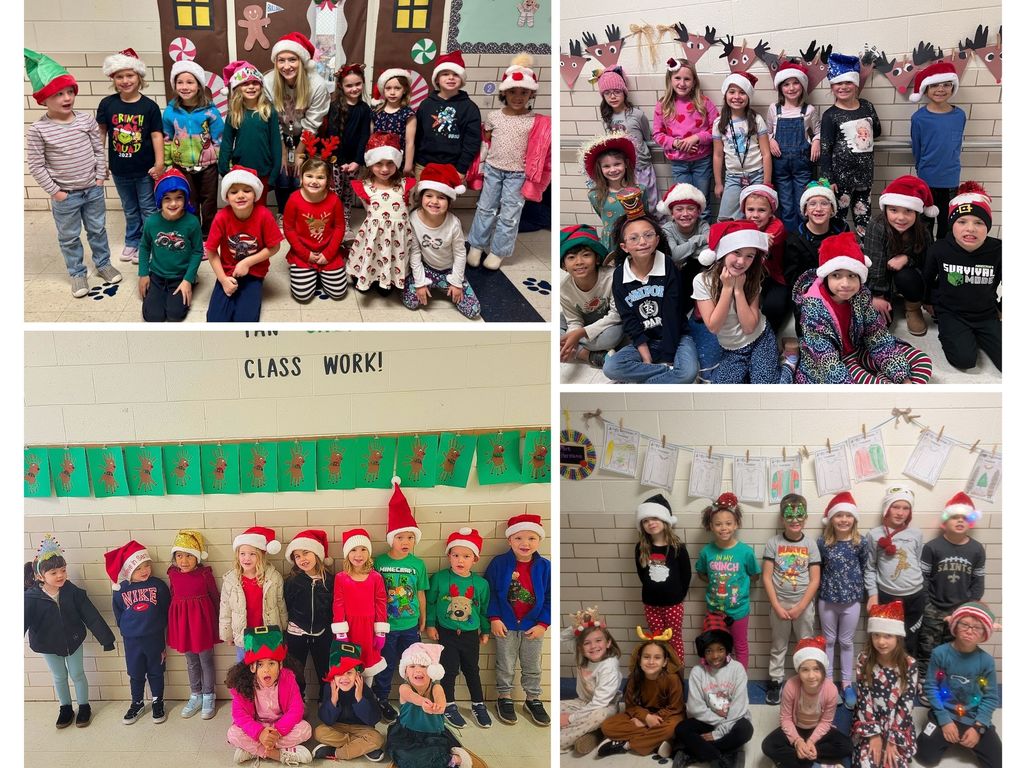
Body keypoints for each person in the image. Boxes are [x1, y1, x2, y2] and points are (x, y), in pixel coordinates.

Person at [25, 49, 121, 297]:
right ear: (43, 99)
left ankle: (103, 264)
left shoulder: (85, 120)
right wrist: (56, 192)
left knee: (97, 229)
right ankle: (78, 274)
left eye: (70, 92)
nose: (67, 98)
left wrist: (100, 178)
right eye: (58, 94)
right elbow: (36, 165)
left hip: (92, 189)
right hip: (65, 194)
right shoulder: (38, 130)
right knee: (69, 237)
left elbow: (97, 149)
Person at [792, 232, 932, 383]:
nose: (845, 283)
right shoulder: (812, 309)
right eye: (836, 275)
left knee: (922, 362)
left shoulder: (862, 295)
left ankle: (888, 386)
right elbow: (827, 363)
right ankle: (884, 390)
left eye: (852, 275)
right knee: (874, 389)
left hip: (860, 349)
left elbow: (876, 334)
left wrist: (902, 377)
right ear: (826, 276)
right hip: (837, 362)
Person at [24, 535, 116, 728]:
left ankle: (84, 706)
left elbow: (90, 615)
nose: (60, 575)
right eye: (54, 572)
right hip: (47, 644)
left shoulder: (72, 592)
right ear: (40, 576)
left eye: (63, 570)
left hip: (73, 640)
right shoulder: (30, 598)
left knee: (77, 673)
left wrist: (106, 638)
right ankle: (65, 708)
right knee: (59, 676)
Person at [604, 198, 699, 384]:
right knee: (611, 367)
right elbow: (628, 319)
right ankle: (666, 375)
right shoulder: (619, 275)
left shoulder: (668, 266)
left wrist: (668, 357)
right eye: (634, 238)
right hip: (646, 341)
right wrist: (646, 359)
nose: (642, 242)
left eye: (648, 235)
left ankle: (648, 384)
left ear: (657, 239)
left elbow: (673, 313)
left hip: (678, 337)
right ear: (624, 247)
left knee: (688, 372)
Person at [694, 220, 796, 383]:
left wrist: (739, 290)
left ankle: (789, 363)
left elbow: (749, 327)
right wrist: (727, 289)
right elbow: (714, 326)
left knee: (765, 390)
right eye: (736, 252)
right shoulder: (702, 281)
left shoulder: (752, 276)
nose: (741, 262)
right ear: (723, 252)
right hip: (732, 349)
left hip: (760, 339)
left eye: (749, 256)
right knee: (721, 393)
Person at [466, 55, 541, 270]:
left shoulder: (534, 121)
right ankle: (477, 245)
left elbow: (537, 149)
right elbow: (487, 142)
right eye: (513, 92)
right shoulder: (493, 117)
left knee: (510, 213)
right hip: (493, 170)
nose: (518, 97)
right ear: (504, 93)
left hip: (518, 174)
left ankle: (498, 251)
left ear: (531, 93)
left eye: (524, 92)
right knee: (485, 208)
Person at [923, 182, 1002, 371]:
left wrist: (1001, 308)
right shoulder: (939, 248)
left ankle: (981, 335)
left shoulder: (999, 250)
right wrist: (928, 301)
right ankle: (964, 336)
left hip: (986, 314)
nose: (970, 229)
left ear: (988, 226)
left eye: (979, 223)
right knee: (964, 360)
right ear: (952, 225)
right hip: (952, 313)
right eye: (962, 222)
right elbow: (927, 279)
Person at [97, 47, 163, 264]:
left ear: (139, 77)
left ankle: (150, 243)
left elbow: (156, 136)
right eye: (120, 76)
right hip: (120, 170)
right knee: (130, 208)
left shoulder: (149, 107)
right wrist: (100, 162)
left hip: (145, 169)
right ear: (113, 79)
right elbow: (101, 134)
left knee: (148, 208)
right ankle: (132, 241)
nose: (125, 80)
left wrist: (160, 163)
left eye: (129, 75)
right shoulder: (107, 104)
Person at [916, 602, 1002, 768]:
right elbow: (931, 687)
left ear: (984, 633)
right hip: (945, 712)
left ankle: (973, 733)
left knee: (998, 762)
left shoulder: (986, 661)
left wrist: (978, 728)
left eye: (977, 627)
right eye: (965, 624)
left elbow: (991, 697)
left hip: (973, 716)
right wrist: (944, 720)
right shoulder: (940, 653)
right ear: (955, 625)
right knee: (924, 757)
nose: (970, 631)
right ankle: (941, 729)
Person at [372, 478, 429, 722]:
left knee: (413, 666)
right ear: (391, 539)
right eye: (400, 537)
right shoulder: (379, 562)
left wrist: (423, 618)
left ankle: (415, 700)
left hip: (410, 625)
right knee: (385, 666)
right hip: (385, 627)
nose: (405, 542)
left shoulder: (418, 564)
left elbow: (420, 592)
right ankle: (381, 700)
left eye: (409, 538)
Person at [485, 514, 551, 726]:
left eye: (531, 538)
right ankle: (504, 697)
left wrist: (543, 624)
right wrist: (494, 618)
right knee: (505, 664)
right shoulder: (499, 563)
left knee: (532, 664)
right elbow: (490, 593)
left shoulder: (544, 567)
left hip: (533, 627)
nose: (525, 543)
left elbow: (550, 597)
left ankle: (533, 699)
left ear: (539, 541)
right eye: (519, 538)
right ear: (509, 541)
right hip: (506, 624)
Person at [425, 528, 491, 729]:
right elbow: (431, 603)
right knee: (449, 670)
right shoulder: (440, 578)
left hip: (471, 635)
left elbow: (484, 608)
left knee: (472, 669)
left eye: (466, 556)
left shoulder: (480, 584)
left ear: (475, 559)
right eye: (455, 555)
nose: (460, 560)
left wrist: (486, 629)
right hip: (447, 633)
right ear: (449, 556)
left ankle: (478, 704)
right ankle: (449, 705)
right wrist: (430, 624)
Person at [917, 492, 986, 682]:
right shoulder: (932, 547)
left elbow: (978, 579)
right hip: (933, 608)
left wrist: (971, 605)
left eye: (964, 518)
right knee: (927, 647)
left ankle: (944, 679)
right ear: (945, 522)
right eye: (955, 517)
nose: (960, 521)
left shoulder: (977, 549)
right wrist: (928, 604)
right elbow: (923, 578)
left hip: (961, 610)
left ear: (970, 523)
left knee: (952, 646)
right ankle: (924, 680)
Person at [264, 32, 331, 220]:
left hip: (307, 136)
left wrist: (300, 154)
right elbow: (272, 120)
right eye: (281, 60)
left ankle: (301, 213)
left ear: (301, 61)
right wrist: (283, 152)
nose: (286, 66)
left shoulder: (316, 84)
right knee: (282, 172)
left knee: (299, 174)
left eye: (292, 59)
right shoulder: (269, 82)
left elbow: (313, 123)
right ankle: (283, 212)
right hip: (279, 135)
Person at [673, 612, 753, 768]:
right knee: (681, 729)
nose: (715, 656)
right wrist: (718, 724)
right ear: (703, 651)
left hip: (733, 721)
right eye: (709, 651)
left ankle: (695, 752)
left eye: (720, 650)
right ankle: (719, 757)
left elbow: (739, 707)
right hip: (707, 720)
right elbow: (695, 708)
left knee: (745, 730)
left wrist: (720, 731)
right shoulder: (697, 671)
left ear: (727, 649)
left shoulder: (737, 669)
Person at [762, 493, 821, 705]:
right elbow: (767, 577)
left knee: (806, 645)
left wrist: (801, 606)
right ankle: (776, 681)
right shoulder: (773, 543)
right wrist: (776, 606)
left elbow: (815, 580)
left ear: (805, 518)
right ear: (782, 519)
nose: (794, 520)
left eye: (799, 516)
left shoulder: (811, 545)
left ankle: (807, 681)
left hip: (803, 606)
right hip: (779, 606)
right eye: (789, 516)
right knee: (778, 645)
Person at [760, 636, 854, 768]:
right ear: (798, 670)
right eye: (805, 670)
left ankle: (801, 758)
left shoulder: (831, 690)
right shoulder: (791, 686)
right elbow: (786, 719)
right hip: (796, 727)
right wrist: (798, 741)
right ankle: (816, 764)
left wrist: (811, 742)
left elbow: (826, 722)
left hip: (817, 730)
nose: (811, 676)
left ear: (823, 670)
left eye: (816, 669)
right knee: (768, 746)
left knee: (846, 746)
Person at [386, 642, 483, 768]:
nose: (418, 670)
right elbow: (412, 697)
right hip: (408, 734)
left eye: (423, 666)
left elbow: (441, 701)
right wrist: (422, 702)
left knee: (434, 752)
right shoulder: (404, 688)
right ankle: (446, 761)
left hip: (433, 735)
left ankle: (453, 758)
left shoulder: (436, 688)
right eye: (412, 666)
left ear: (433, 671)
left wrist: (438, 707)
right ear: (405, 672)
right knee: (404, 756)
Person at [204, 165, 283, 322]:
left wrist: (247, 262)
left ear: (255, 194)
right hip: (227, 271)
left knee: (245, 320)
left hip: (254, 272)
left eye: (246, 191)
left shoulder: (264, 215)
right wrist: (222, 279)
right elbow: (211, 251)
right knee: (215, 320)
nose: (240, 196)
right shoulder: (221, 217)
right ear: (226, 196)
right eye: (234, 192)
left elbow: (275, 246)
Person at [226, 625, 314, 764]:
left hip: (281, 725)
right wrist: (260, 733)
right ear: (252, 667)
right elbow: (239, 715)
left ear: (280, 665)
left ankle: (252, 750)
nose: (266, 670)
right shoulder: (242, 685)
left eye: (271, 663)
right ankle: (279, 754)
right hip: (257, 725)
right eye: (260, 664)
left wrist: (277, 732)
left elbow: (296, 709)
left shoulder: (288, 679)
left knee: (305, 729)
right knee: (233, 734)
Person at [104, 540, 170, 725]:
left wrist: (159, 625)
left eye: (147, 565)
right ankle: (137, 702)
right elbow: (118, 611)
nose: (145, 570)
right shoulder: (121, 589)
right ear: (128, 569)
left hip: (154, 638)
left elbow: (166, 607)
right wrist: (127, 628)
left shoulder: (158, 585)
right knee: (135, 672)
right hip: (132, 640)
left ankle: (158, 701)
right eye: (139, 567)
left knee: (156, 671)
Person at [404, 163, 481, 318]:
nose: (434, 202)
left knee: (473, 310)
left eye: (441, 197)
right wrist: (419, 283)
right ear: (421, 196)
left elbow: (460, 254)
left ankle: (444, 286)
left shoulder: (453, 223)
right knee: (410, 301)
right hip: (427, 269)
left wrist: (456, 283)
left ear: (449, 201)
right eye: (429, 196)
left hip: (449, 270)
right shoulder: (413, 218)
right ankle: (430, 285)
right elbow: (415, 253)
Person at [863, 176, 937, 335]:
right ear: (885, 209)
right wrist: (877, 295)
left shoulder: (922, 230)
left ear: (917, 212)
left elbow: (928, 262)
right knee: (880, 325)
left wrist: (906, 259)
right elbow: (874, 263)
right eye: (894, 210)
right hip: (881, 276)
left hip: (907, 275)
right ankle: (887, 297)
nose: (901, 218)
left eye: (908, 211)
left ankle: (912, 307)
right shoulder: (876, 226)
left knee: (906, 276)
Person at [819, 53, 881, 239]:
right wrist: (828, 179)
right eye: (839, 83)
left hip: (864, 177)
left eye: (848, 83)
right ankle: (837, 254)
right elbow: (825, 149)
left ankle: (864, 257)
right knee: (838, 219)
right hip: (840, 180)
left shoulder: (867, 107)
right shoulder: (830, 115)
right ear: (832, 86)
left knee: (864, 220)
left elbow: (876, 130)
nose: (843, 87)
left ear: (855, 85)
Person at [694, 493, 760, 668]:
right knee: (712, 646)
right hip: (714, 611)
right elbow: (701, 573)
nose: (724, 528)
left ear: (736, 524)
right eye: (718, 524)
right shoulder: (706, 552)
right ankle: (712, 681)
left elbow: (755, 575)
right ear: (711, 526)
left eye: (728, 523)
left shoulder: (746, 552)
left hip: (739, 611)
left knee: (740, 646)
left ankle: (739, 682)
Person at [816, 492, 869, 709]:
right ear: (831, 519)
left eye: (848, 515)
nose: (844, 520)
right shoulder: (823, 543)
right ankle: (828, 683)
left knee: (846, 642)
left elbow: (867, 568)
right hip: (827, 600)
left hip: (852, 601)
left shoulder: (861, 542)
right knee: (828, 641)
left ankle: (847, 683)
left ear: (854, 519)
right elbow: (817, 570)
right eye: (839, 516)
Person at [597, 629, 683, 758]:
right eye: (646, 657)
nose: (651, 662)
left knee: (673, 728)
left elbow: (676, 707)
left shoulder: (672, 679)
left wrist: (648, 720)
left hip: (667, 716)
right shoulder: (634, 678)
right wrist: (646, 717)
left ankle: (626, 744)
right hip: (642, 714)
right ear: (639, 660)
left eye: (657, 658)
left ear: (665, 662)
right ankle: (657, 742)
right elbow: (631, 707)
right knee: (607, 726)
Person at [348, 132, 416, 295]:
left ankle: (387, 277)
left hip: (396, 241)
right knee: (366, 270)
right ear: (370, 164)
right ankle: (366, 274)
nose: (385, 169)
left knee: (385, 292)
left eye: (389, 163)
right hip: (372, 239)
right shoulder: (364, 187)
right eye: (379, 163)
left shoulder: (405, 185)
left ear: (397, 163)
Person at [852, 602, 918, 768]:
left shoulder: (909, 664)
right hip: (870, 717)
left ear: (898, 637)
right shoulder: (863, 659)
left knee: (894, 762)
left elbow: (906, 704)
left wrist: (893, 740)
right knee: (866, 763)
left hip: (896, 720)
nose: (881, 642)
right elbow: (863, 698)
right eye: (876, 635)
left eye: (888, 636)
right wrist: (873, 735)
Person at [162, 58, 223, 238]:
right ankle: (194, 230)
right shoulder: (170, 111)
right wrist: (168, 163)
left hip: (208, 165)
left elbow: (219, 138)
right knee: (190, 199)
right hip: (182, 165)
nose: (185, 86)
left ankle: (209, 232)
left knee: (209, 200)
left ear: (199, 85)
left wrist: (222, 161)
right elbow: (166, 138)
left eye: (190, 82)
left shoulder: (210, 111)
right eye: (180, 82)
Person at [653, 58, 718, 221]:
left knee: (702, 204)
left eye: (687, 79)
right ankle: (687, 239)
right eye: (677, 78)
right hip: (679, 164)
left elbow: (717, 129)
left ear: (694, 81)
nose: (682, 83)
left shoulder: (704, 103)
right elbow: (657, 134)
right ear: (670, 80)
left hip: (702, 162)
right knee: (684, 205)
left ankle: (704, 242)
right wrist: (676, 144)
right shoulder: (663, 105)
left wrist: (695, 138)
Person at [864, 487, 925, 661]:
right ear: (887, 508)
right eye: (896, 507)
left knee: (910, 640)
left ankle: (908, 680)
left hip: (915, 596)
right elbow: (870, 568)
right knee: (886, 641)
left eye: (905, 508)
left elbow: (918, 562)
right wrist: (873, 595)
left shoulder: (916, 534)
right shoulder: (874, 535)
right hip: (887, 596)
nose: (900, 513)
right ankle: (885, 680)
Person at [166, 529, 220, 720]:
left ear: (197, 557)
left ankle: (208, 695)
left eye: (189, 556)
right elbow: (173, 597)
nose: (184, 560)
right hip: (183, 625)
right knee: (191, 661)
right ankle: (195, 694)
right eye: (179, 556)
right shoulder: (173, 574)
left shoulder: (205, 574)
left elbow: (215, 597)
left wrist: (220, 624)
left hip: (202, 623)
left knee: (205, 660)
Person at [910, 61, 966, 241]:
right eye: (934, 85)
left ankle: (943, 257)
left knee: (948, 222)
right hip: (927, 178)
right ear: (926, 89)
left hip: (950, 178)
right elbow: (917, 149)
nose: (940, 89)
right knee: (925, 222)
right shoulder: (919, 118)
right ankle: (925, 257)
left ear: (952, 87)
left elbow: (955, 145)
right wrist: (922, 171)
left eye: (946, 85)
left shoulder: (960, 115)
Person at [138, 168, 203, 322]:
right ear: (160, 200)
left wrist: (188, 279)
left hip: (180, 276)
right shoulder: (152, 222)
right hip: (157, 275)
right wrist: (143, 273)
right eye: (167, 198)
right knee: (153, 316)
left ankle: (190, 281)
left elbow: (197, 251)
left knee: (175, 314)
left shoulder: (192, 222)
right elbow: (145, 246)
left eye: (178, 198)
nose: (173, 203)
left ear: (186, 199)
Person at [283, 154, 348, 302]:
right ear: (301, 178)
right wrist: (305, 254)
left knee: (338, 293)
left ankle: (321, 274)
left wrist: (329, 254)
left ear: (328, 180)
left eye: (320, 177)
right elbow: (289, 229)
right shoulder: (293, 199)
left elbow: (339, 227)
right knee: (302, 296)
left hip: (328, 251)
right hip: (303, 252)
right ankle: (313, 274)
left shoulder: (334, 200)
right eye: (309, 176)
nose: (314, 181)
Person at [633, 494, 690, 664]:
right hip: (651, 603)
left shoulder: (677, 547)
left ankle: (677, 674)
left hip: (673, 604)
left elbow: (686, 574)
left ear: (665, 520)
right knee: (656, 639)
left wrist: (678, 595)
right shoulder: (641, 548)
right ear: (642, 525)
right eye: (646, 520)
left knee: (674, 639)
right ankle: (659, 672)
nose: (651, 523)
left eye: (655, 518)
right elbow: (641, 574)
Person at [559, 607, 622, 756]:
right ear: (580, 647)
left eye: (598, 641)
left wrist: (570, 718)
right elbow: (561, 637)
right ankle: (592, 735)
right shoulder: (581, 655)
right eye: (587, 643)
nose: (593, 646)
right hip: (582, 702)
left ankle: (562, 740)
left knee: (597, 716)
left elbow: (600, 703)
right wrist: (580, 625)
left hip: (605, 707)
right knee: (555, 709)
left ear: (608, 643)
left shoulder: (609, 666)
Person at [767, 62, 821, 235]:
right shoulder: (774, 109)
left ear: (802, 86)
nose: (791, 88)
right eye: (786, 84)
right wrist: (770, 140)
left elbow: (818, 132)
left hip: (802, 166)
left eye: (795, 83)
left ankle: (803, 237)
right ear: (780, 88)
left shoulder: (809, 110)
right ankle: (790, 240)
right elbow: (766, 132)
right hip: (780, 165)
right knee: (786, 206)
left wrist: (816, 141)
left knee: (802, 204)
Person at [217, 61, 280, 206]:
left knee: (259, 210)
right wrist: (224, 169)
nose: (251, 87)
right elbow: (226, 142)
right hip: (240, 171)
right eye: (245, 83)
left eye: (255, 83)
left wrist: (274, 173)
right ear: (238, 87)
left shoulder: (269, 111)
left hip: (263, 171)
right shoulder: (234, 113)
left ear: (261, 86)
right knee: (242, 207)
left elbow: (275, 143)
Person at [559, 224, 622, 369]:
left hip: (609, 325)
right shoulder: (564, 289)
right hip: (586, 322)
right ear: (564, 265)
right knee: (554, 326)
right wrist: (573, 334)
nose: (579, 262)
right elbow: (574, 320)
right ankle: (589, 356)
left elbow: (616, 316)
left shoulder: (612, 277)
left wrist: (577, 335)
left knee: (612, 336)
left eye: (586, 255)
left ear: (597, 259)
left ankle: (577, 350)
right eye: (571, 257)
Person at [219, 527, 287, 660]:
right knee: (244, 672)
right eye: (242, 554)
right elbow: (225, 608)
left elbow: (280, 603)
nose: (246, 558)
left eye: (252, 554)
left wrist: (283, 628)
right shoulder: (231, 580)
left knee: (267, 670)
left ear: (261, 556)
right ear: (237, 555)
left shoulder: (273, 578)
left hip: (268, 634)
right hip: (244, 636)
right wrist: (227, 634)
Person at [312, 640, 386, 761]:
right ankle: (360, 747)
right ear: (333, 675)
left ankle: (335, 752)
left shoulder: (364, 689)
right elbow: (326, 720)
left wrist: (360, 699)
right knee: (319, 732)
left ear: (357, 675)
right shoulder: (329, 688)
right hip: (338, 727)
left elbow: (374, 719)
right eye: (339, 673)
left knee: (377, 738)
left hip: (361, 728)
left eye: (349, 673)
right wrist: (333, 701)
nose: (345, 678)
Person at [598, 65, 659, 215]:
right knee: (631, 205)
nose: (612, 96)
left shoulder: (637, 115)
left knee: (650, 202)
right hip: (624, 169)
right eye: (607, 93)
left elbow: (647, 137)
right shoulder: (608, 118)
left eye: (617, 92)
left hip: (642, 166)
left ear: (624, 92)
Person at [282, 529, 334, 701]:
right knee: (295, 670)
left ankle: (325, 700)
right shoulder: (292, 581)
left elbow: (333, 607)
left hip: (323, 633)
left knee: (325, 670)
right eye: (297, 556)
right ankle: (297, 700)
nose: (302, 559)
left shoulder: (330, 580)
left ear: (317, 554)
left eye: (306, 553)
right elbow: (287, 604)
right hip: (297, 632)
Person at [331, 528, 389, 683]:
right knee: (350, 662)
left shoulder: (375, 577)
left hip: (369, 628)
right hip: (349, 628)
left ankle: (367, 696)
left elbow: (381, 603)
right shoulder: (341, 578)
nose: (359, 554)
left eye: (363, 549)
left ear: (369, 552)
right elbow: (338, 604)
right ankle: (351, 697)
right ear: (347, 554)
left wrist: (381, 632)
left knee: (368, 663)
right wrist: (341, 632)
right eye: (353, 550)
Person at [713, 72, 771, 221]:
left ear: (748, 96)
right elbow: (718, 155)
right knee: (725, 219)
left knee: (756, 217)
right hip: (733, 177)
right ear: (725, 95)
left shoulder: (756, 119)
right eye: (732, 92)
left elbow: (766, 153)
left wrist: (766, 182)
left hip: (756, 175)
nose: (737, 97)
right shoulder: (719, 123)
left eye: (742, 92)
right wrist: (719, 183)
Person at [414, 51, 481, 179]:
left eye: (456, 74)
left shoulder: (470, 108)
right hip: (423, 165)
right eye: (445, 74)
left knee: (444, 199)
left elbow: (472, 141)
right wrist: (414, 162)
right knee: (420, 198)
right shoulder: (426, 104)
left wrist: (461, 169)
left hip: (453, 167)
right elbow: (417, 135)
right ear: (437, 79)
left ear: (462, 79)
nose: (451, 78)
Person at [323, 63, 372, 232]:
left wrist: (357, 161)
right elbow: (333, 135)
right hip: (337, 160)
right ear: (341, 86)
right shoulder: (336, 106)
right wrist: (341, 161)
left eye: (357, 84)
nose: (354, 89)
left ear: (363, 83)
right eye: (349, 85)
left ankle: (345, 221)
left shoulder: (365, 109)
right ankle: (332, 222)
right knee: (335, 192)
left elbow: (365, 136)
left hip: (354, 161)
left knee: (348, 193)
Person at [783, 180, 848, 295]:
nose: (818, 209)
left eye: (824, 203)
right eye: (812, 204)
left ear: (832, 209)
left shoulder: (842, 231)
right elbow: (792, 277)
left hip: (838, 289)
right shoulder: (794, 239)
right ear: (805, 210)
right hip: (808, 292)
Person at [739, 184, 790, 333]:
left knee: (774, 306)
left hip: (774, 277)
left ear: (771, 213)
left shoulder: (777, 225)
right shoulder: (741, 223)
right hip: (748, 275)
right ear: (744, 211)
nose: (755, 215)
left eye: (761, 210)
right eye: (750, 210)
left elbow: (765, 241)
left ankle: (769, 335)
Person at [581, 133, 638, 253]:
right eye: (606, 166)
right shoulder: (595, 195)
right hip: (611, 243)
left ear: (626, 164)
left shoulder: (640, 190)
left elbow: (644, 216)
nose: (613, 170)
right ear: (600, 169)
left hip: (635, 239)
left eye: (617, 164)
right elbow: (603, 215)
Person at [372, 68, 417, 175]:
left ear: (404, 90)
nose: (392, 92)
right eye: (388, 88)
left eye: (397, 88)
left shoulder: (408, 114)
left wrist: (408, 165)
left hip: (398, 161)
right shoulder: (376, 111)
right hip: (378, 160)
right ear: (383, 90)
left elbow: (410, 142)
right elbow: (371, 137)